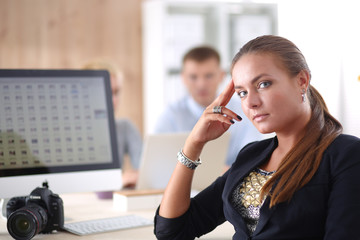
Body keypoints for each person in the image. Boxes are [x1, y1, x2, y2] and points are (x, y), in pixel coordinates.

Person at [154, 35, 360, 239]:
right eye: (242, 92)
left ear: (302, 81)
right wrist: (194, 144)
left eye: (263, 84)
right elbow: (171, 231)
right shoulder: (252, 155)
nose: (250, 102)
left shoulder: (346, 154)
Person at [154, 46, 263, 167]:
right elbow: (157, 163)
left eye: (208, 76)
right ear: (183, 78)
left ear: (221, 76)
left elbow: (252, 160)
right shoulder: (170, 116)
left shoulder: (243, 112)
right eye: (193, 77)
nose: (201, 84)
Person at [83, 60, 142, 191]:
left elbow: (144, 170)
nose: (114, 100)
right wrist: (117, 181)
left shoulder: (125, 127)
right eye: (107, 92)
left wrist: (136, 177)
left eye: (116, 92)